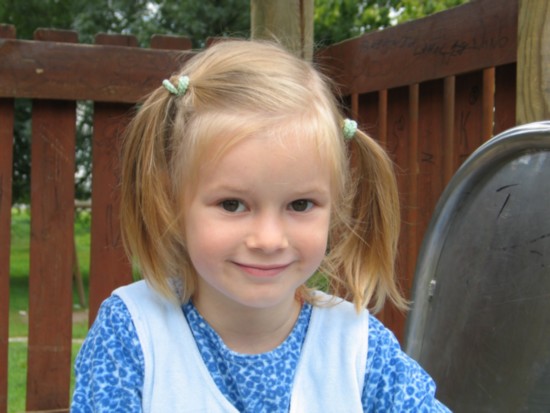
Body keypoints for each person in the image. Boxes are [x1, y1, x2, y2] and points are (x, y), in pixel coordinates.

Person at [71, 39, 450, 412]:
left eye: (300, 205)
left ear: (335, 208)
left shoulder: (358, 349)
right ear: (171, 203)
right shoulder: (132, 334)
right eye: (232, 204)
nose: (269, 240)